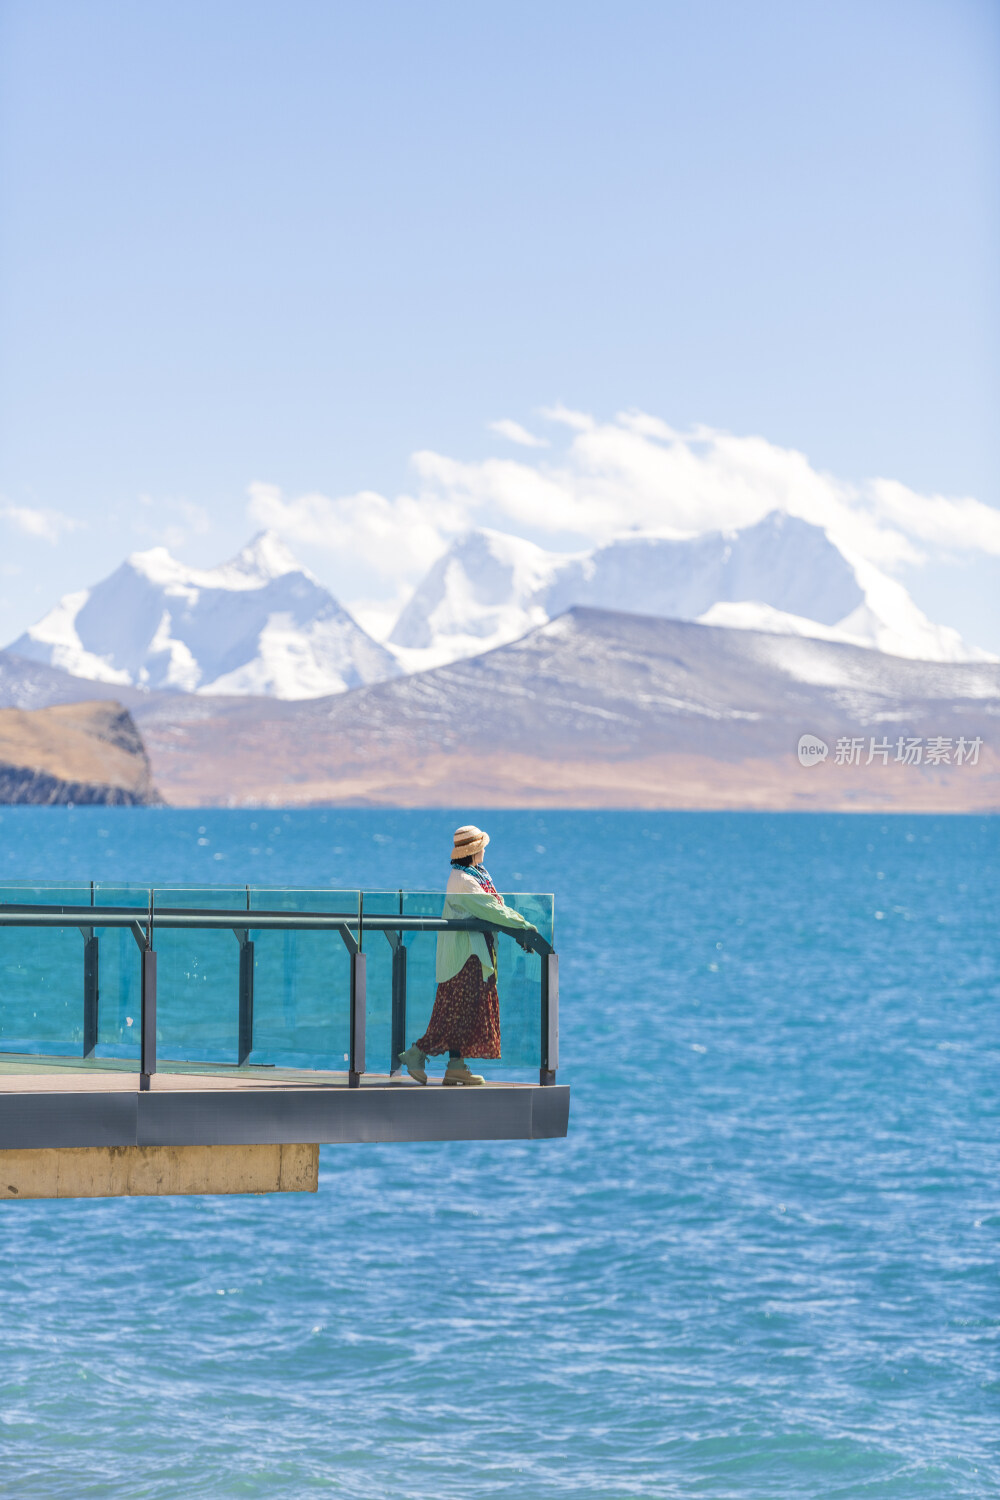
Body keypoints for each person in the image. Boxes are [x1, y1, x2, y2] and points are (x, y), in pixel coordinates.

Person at [398, 824, 537, 1086]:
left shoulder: (472, 875)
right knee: (455, 1013)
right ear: (474, 851)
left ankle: (456, 1067)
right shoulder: (465, 880)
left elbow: (492, 906)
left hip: (468, 955)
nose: (484, 849)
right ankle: (416, 1053)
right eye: (481, 846)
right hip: (465, 957)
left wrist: (516, 925)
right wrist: (522, 926)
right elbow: (491, 909)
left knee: (462, 1012)